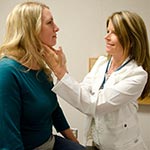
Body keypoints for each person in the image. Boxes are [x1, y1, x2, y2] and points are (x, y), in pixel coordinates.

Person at [43, 11, 150, 150]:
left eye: (114, 33)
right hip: (95, 143)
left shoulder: (137, 75)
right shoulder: (101, 63)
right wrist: (63, 70)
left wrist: (59, 71)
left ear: (131, 40)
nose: (106, 37)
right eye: (107, 31)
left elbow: (95, 105)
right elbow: (83, 93)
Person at [0, 1, 86, 150]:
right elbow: (8, 141)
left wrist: (76, 144)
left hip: (50, 142)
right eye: (49, 22)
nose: (56, 28)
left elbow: (54, 110)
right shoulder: (7, 72)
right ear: (30, 30)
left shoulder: (40, 67)